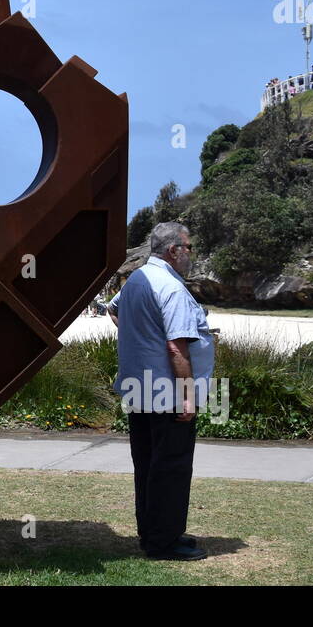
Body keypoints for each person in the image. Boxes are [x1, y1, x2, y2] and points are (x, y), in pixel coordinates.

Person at [109, 222, 212, 561]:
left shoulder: (137, 279)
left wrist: (139, 341)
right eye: (189, 247)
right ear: (173, 251)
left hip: (139, 390)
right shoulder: (171, 287)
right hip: (166, 394)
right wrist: (188, 396)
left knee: (148, 465)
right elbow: (176, 347)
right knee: (172, 467)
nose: (191, 254)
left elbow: (113, 309)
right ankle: (164, 543)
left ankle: (152, 533)